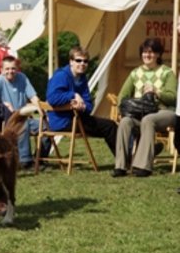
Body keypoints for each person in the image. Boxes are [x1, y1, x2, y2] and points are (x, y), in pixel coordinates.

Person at [113, 38, 177, 178]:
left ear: (158, 54)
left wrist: (157, 92)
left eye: (151, 52)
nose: (147, 55)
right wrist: (121, 111)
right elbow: (122, 96)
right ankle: (120, 166)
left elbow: (173, 98)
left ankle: (142, 167)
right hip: (140, 113)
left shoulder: (167, 72)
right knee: (125, 122)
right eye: (144, 52)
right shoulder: (136, 73)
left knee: (149, 120)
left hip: (164, 112)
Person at [46, 46, 117, 156]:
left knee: (110, 126)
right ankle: (125, 161)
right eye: (78, 60)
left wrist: (82, 107)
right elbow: (52, 98)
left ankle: (126, 159)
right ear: (71, 62)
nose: (82, 64)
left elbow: (89, 105)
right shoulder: (61, 76)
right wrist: (73, 94)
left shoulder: (82, 78)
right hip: (62, 121)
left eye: (85, 61)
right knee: (109, 127)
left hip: (78, 118)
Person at [0, 55, 50, 169]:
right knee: (23, 126)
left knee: (46, 126)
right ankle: (25, 161)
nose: (10, 71)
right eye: (7, 69)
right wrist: (4, 104)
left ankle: (40, 159)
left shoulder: (22, 78)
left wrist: (41, 112)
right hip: (8, 120)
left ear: (17, 69)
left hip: (25, 115)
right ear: (1, 70)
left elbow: (33, 97)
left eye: (13, 68)